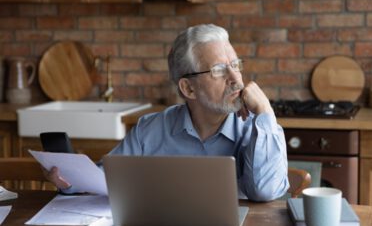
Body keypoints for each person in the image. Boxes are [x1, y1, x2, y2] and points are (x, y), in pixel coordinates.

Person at [45, 24, 289, 202]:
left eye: (235, 65)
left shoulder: (256, 128)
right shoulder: (150, 130)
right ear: (188, 88)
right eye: (219, 70)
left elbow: (264, 192)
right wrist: (69, 180)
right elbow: (105, 179)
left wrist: (266, 112)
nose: (236, 78)